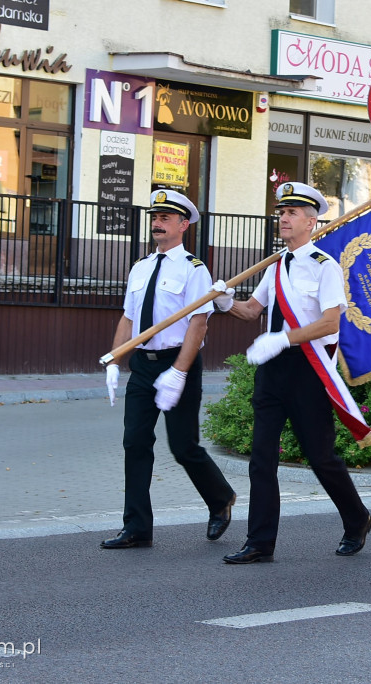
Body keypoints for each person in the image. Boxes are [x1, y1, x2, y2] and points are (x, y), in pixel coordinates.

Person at [212, 182, 371, 564]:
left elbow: (331, 323)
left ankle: (357, 518)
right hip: (273, 369)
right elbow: (253, 310)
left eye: (293, 213)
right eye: (282, 212)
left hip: (308, 370)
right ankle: (260, 542)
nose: (283, 218)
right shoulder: (276, 264)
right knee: (261, 458)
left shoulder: (325, 267)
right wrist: (224, 302)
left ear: (312, 222)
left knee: (321, 458)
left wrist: (284, 338)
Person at [100, 189, 236, 549]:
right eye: (154, 218)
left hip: (180, 362)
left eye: (165, 218)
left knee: (183, 446)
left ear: (183, 224)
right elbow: (129, 318)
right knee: (135, 442)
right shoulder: (141, 266)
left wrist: (178, 372)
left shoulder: (194, 269)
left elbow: (198, 325)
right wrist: (115, 360)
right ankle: (137, 527)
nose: (157, 224)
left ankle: (220, 498)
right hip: (143, 366)